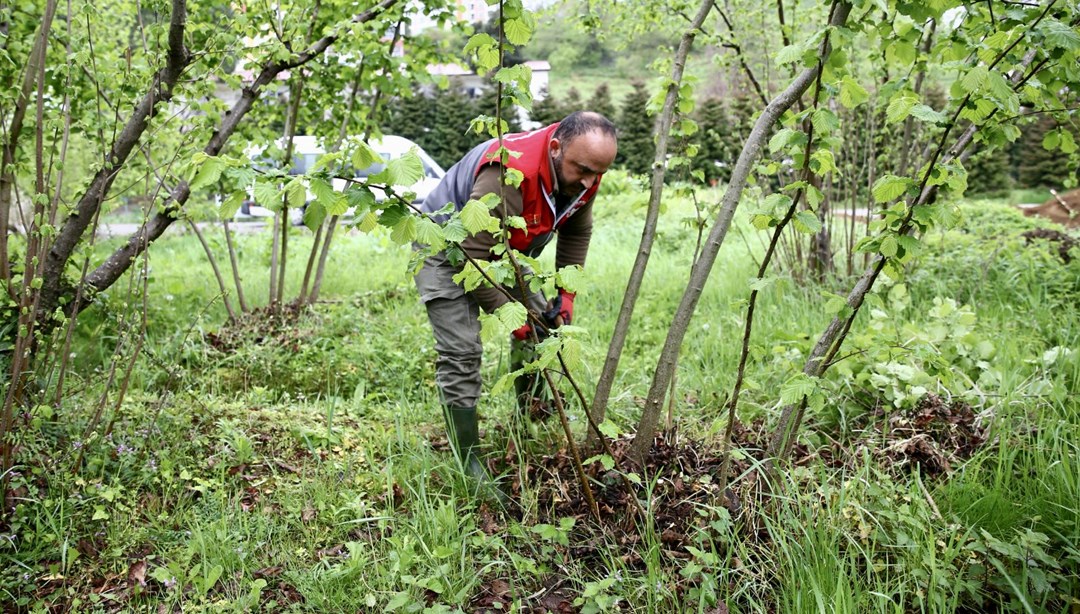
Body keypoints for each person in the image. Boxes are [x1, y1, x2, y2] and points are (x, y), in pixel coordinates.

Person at [414, 111, 618, 480]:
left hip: (502, 252)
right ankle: (468, 463)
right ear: (556, 149)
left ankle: (530, 418)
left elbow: (577, 233)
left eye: (598, 174)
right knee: (462, 351)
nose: (589, 181)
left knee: (543, 325)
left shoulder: (586, 174)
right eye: (583, 170)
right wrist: (512, 317)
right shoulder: (509, 171)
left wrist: (565, 297)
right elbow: (473, 256)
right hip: (447, 248)